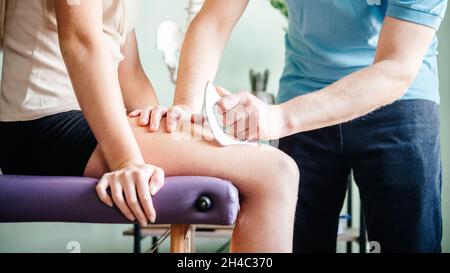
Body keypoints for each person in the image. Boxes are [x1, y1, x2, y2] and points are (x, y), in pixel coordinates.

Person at [0, 0, 299, 253]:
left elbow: (128, 70)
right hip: (40, 123)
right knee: (273, 172)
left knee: (273, 170)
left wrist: (160, 119)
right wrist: (126, 161)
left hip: (80, 120)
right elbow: (80, 41)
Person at [162, 0, 448, 252]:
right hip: (304, 93)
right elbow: (214, 20)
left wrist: (279, 118)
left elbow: (396, 68)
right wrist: (186, 108)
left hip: (400, 103)